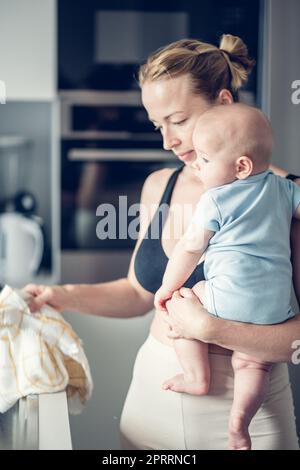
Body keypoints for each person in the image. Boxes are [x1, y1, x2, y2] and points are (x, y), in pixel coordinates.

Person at [23, 34, 300, 450]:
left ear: (224, 103)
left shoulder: (285, 198)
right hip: (154, 398)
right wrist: (60, 295)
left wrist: (211, 328)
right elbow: (139, 291)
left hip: (250, 416)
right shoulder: (160, 186)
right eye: (158, 125)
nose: (167, 140)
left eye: (179, 120)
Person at [154, 103, 300, 449]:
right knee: (253, 364)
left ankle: (196, 376)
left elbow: (190, 248)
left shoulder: (215, 199)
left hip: (226, 300)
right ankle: (240, 420)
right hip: (275, 309)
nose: (198, 167)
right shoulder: (284, 189)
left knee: (184, 302)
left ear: (241, 166)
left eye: (204, 160)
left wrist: (167, 288)